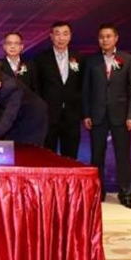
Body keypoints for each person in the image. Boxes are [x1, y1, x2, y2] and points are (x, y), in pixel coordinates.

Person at [83, 24, 131, 209]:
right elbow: (86, 90)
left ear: (116, 38)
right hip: (97, 115)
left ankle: (126, 194)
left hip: (121, 116)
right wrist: (86, 114)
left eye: (108, 36)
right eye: (101, 37)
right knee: (97, 156)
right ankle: (98, 193)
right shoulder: (91, 61)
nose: (105, 40)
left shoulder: (128, 59)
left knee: (123, 156)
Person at [35, 21, 82, 158]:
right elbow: (37, 86)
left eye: (65, 34)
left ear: (70, 36)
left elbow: (82, 86)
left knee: (71, 158)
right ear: (51, 36)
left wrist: (82, 112)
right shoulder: (41, 58)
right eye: (57, 34)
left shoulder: (79, 58)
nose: (61, 38)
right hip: (49, 116)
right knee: (47, 157)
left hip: (72, 117)